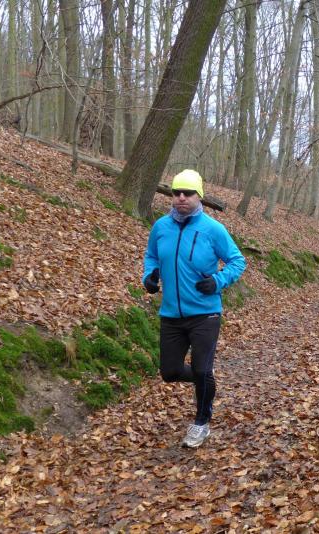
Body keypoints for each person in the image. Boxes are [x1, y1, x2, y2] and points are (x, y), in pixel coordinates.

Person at [142, 169, 246, 448]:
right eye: (176, 192)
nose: (181, 197)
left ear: (199, 196)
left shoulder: (213, 229)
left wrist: (218, 281)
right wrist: (149, 277)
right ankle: (205, 379)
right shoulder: (161, 227)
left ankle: (201, 422)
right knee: (170, 372)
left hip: (205, 314)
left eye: (188, 193)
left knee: (201, 369)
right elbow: (151, 256)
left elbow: (237, 261)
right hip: (171, 315)